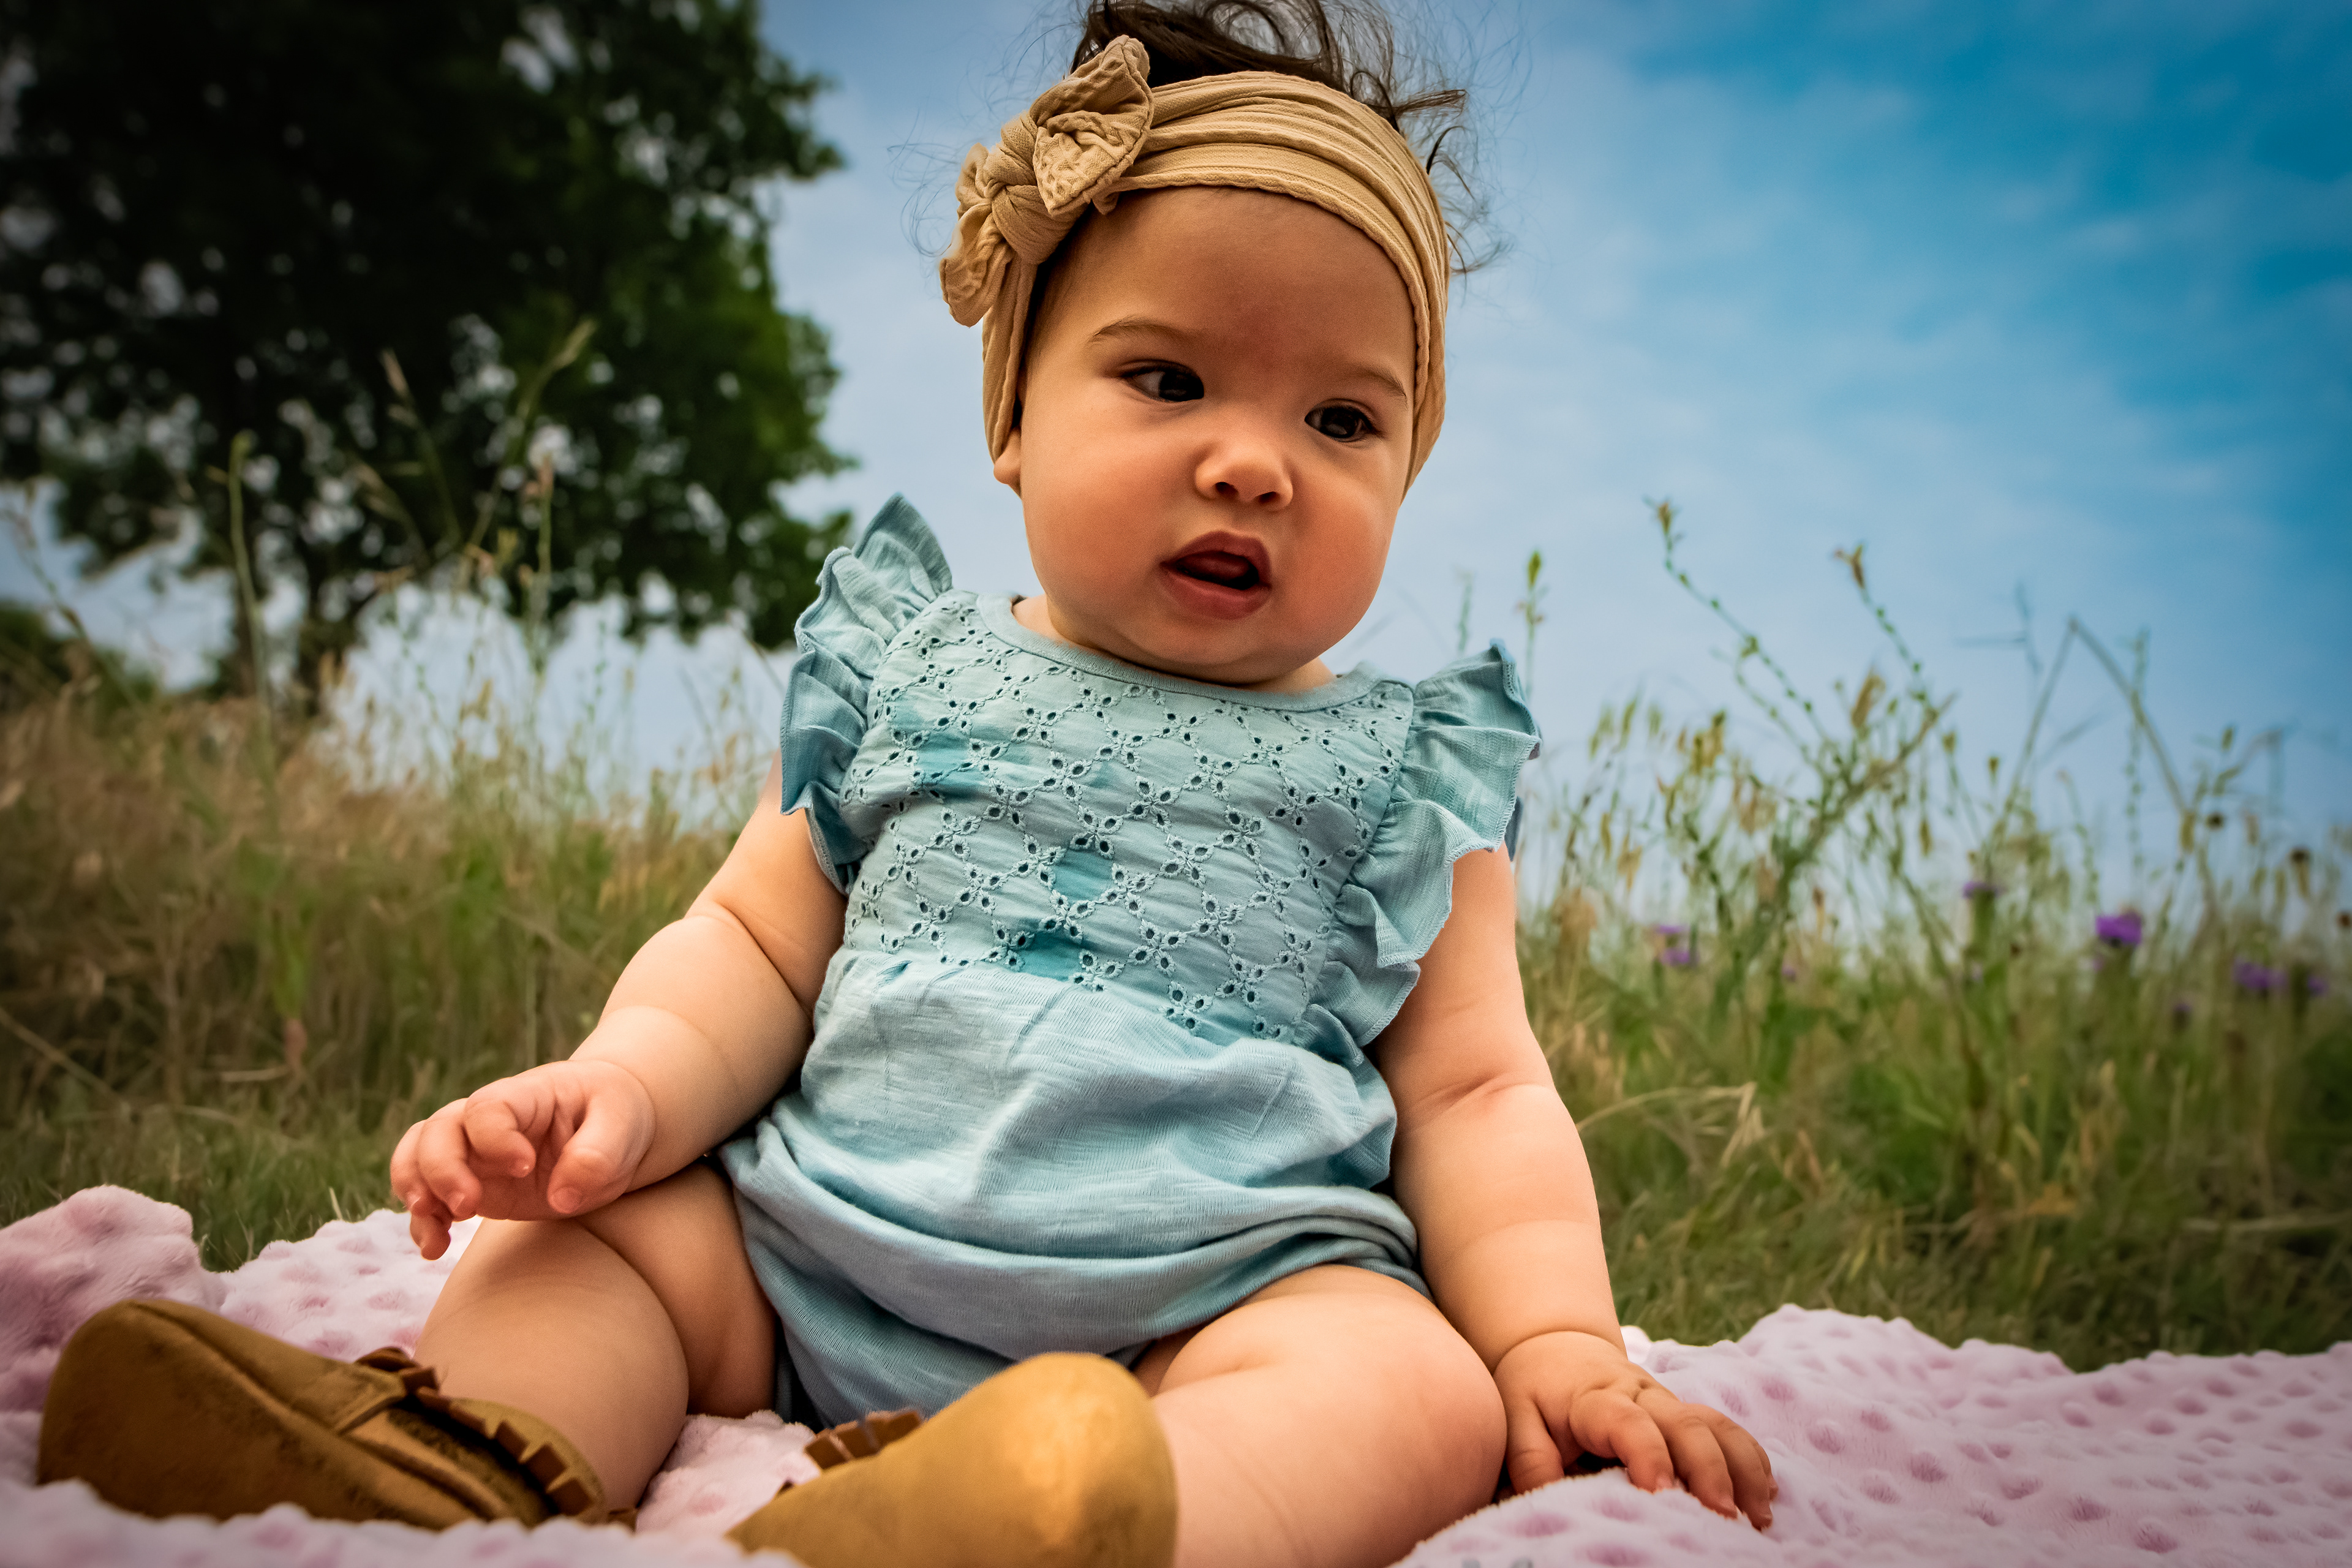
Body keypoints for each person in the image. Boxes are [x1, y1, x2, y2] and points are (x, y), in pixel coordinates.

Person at [40, 5, 1776, 1565]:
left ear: (1410, 464)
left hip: (1204, 1310)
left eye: (1343, 420)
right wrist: (620, 1094)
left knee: (1408, 1390)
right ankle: (461, 1460)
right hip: (809, 1259)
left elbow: (1476, 1092)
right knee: (594, 1240)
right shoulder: (910, 673)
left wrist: (1555, 1341)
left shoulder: (1404, 774)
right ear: (1013, 412)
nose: (1253, 461)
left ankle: (1084, 1521)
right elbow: (753, 945)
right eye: (1168, 380)